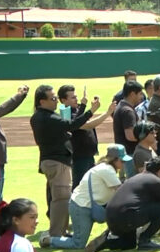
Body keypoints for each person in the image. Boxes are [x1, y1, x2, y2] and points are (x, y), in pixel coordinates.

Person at [31, 85, 106, 238]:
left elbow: (69, 124)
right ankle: (56, 233)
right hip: (57, 161)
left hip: (52, 160)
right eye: (52, 99)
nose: (56, 102)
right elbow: (71, 125)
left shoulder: (41, 116)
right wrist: (90, 111)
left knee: (61, 198)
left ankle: (61, 230)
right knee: (61, 199)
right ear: (42, 101)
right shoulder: (48, 117)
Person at [85, 156, 160, 252]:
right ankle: (145, 240)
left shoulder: (138, 178)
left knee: (129, 244)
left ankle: (107, 242)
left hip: (112, 219)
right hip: (127, 217)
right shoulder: (155, 180)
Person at [40, 145, 129, 250]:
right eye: (122, 161)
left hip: (86, 206)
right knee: (78, 243)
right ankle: (49, 240)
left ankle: (109, 237)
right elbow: (121, 191)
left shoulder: (106, 168)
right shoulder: (107, 170)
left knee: (80, 237)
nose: (124, 163)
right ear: (114, 159)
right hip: (81, 207)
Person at [58, 85, 115, 189]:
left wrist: (92, 107)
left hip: (88, 154)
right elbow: (86, 124)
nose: (77, 99)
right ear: (63, 100)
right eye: (73, 97)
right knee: (80, 185)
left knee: (91, 184)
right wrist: (107, 113)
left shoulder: (77, 109)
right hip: (79, 156)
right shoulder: (66, 113)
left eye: (76, 96)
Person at [113, 80, 145, 178]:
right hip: (131, 153)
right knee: (135, 180)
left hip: (127, 152)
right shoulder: (128, 111)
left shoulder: (121, 106)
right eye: (139, 94)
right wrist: (145, 139)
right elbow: (130, 136)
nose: (142, 97)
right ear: (132, 94)